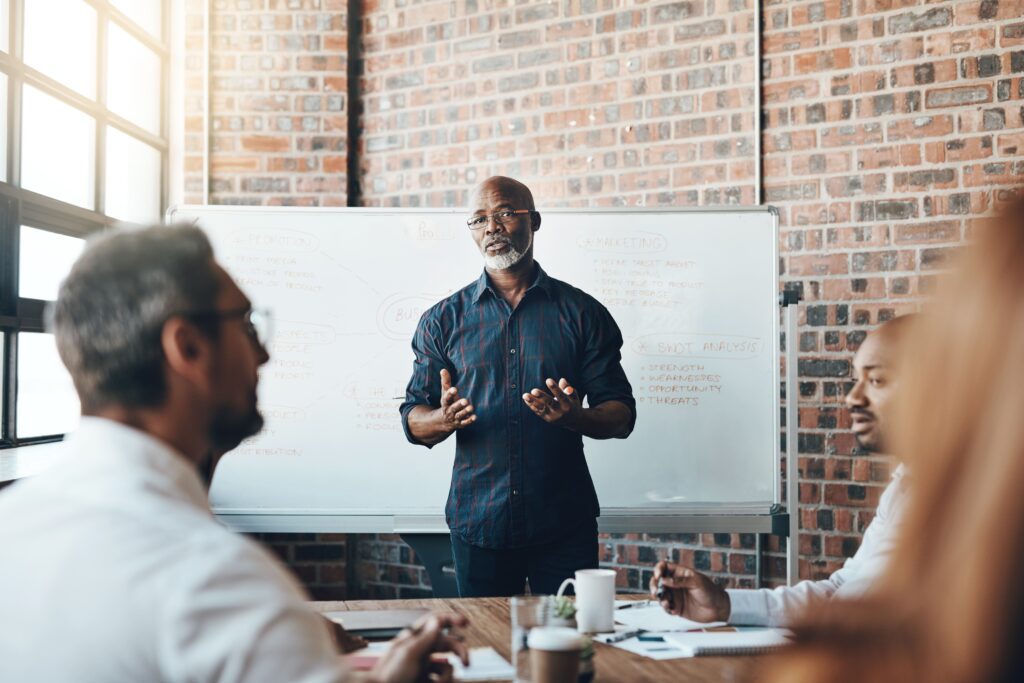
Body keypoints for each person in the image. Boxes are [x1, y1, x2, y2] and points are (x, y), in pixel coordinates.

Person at [0, 225, 467, 683]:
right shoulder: (218, 584)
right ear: (188, 347)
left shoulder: (11, 524)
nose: (262, 354)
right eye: (245, 324)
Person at [765, 200, 1024, 683]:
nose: (853, 398)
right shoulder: (912, 484)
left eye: (878, 380)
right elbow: (849, 588)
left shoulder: (980, 515)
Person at [400, 176, 636, 597]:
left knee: (573, 645)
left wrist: (574, 417)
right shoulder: (442, 321)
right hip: (479, 523)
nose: (492, 227)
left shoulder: (582, 313)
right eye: (479, 219)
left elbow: (621, 415)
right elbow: (413, 419)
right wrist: (443, 418)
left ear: (535, 221)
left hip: (563, 522)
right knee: (485, 653)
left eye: (506, 213)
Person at [649, 316, 914, 626]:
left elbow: (865, 617)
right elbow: (842, 590)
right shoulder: (905, 487)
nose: (853, 397)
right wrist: (723, 604)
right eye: (856, 379)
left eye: (877, 380)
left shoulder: (957, 503)